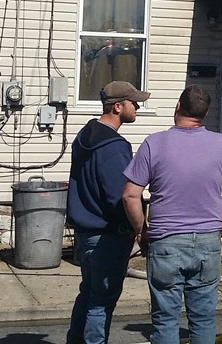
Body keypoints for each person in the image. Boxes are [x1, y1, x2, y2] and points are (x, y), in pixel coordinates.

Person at [121, 85, 222, 344]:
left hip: (166, 242)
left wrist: (141, 230)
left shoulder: (155, 143)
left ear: (177, 107)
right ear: (205, 113)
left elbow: (130, 195)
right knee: (203, 319)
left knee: (165, 319)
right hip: (207, 242)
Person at [66, 80, 149, 344]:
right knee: (101, 303)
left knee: (88, 294)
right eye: (133, 102)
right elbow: (121, 196)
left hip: (85, 232)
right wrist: (138, 228)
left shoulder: (84, 136)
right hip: (108, 237)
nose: (137, 106)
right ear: (117, 107)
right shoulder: (114, 147)